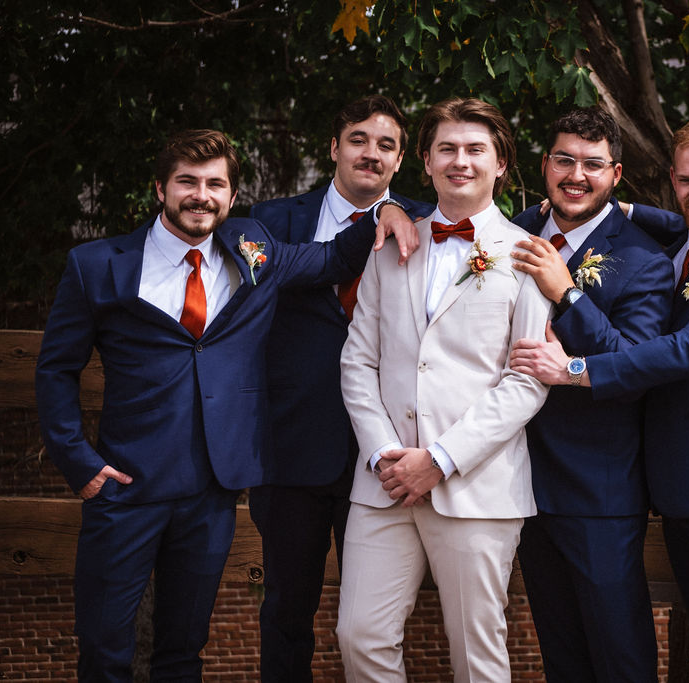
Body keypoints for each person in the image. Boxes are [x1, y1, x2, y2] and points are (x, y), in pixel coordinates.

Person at [34, 129, 416, 682]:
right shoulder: (98, 264)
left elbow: (332, 257)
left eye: (216, 184)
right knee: (104, 650)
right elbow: (55, 370)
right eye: (187, 181)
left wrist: (391, 212)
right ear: (160, 188)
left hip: (211, 491)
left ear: (232, 198)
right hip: (124, 486)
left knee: (183, 651)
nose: (201, 195)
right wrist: (80, 464)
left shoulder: (251, 249)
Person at [511, 118, 689, 682]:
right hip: (674, 484)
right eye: (685, 180)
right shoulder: (677, 238)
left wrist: (574, 366)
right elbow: (626, 215)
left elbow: (683, 351)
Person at [336, 97, 552, 683]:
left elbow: (527, 380)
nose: (461, 161)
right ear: (425, 162)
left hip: (475, 487)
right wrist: (385, 453)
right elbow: (358, 360)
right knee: (359, 637)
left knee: (477, 657)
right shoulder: (392, 244)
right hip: (383, 483)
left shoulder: (527, 255)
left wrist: (440, 459)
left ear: (501, 163)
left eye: (475, 150)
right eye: (447, 149)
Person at [246, 95, 433, 682]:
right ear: (333, 147)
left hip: (388, 458)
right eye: (358, 139)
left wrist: (635, 213)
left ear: (401, 160)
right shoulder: (268, 221)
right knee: (285, 612)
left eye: (386, 145)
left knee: (378, 623)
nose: (370, 154)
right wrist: (380, 221)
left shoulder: (430, 222)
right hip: (291, 450)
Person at [505, 107, 674, 682]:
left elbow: (632, 363)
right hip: (519, 481)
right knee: (561, 652)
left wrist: (568, 293)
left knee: (618, 650)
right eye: (565, 160)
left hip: (598, 489)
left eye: (593, 165)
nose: (576, 175)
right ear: (545, 163)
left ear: (616, 174)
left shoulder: (646, 260)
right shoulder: (513, 231)